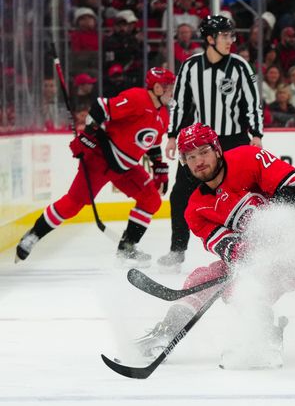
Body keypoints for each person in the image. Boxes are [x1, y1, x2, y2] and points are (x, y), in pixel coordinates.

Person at [135, 123, 295, 369]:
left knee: (247, 282)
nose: (199, 161)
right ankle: (168, 331)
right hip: (262, 257)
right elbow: (232, 249)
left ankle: (264, 336)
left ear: (217, 150)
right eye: (190, 157)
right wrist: (248, 253)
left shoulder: (248, 157)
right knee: (212, 279)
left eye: (203, 152)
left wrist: (268, 234)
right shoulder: (195, 211)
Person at [15, 67, 175, 266]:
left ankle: (127, 248)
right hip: (100, 159)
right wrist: (88, 137)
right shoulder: (137, 98)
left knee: (151, 199)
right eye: (170, 87)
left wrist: (158, 165)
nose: (172, 92)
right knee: (73, 203)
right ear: (158, 88)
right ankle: (33, 235)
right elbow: (101, 107)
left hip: (125, 168)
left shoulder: (163, 114)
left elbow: (152, 141)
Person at [158, 14, 264, 273]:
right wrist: (172, 136)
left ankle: (256, 248)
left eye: (231, 35)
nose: (231, 41)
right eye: (225, 36)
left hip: (233, 141)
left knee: (243, 193)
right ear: (210, 39)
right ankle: (177, 250)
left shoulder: (240, 66)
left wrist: (257, 135)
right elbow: (180, 104)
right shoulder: (191, 66)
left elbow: (253, 104)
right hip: (199, 144)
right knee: (180, 194)